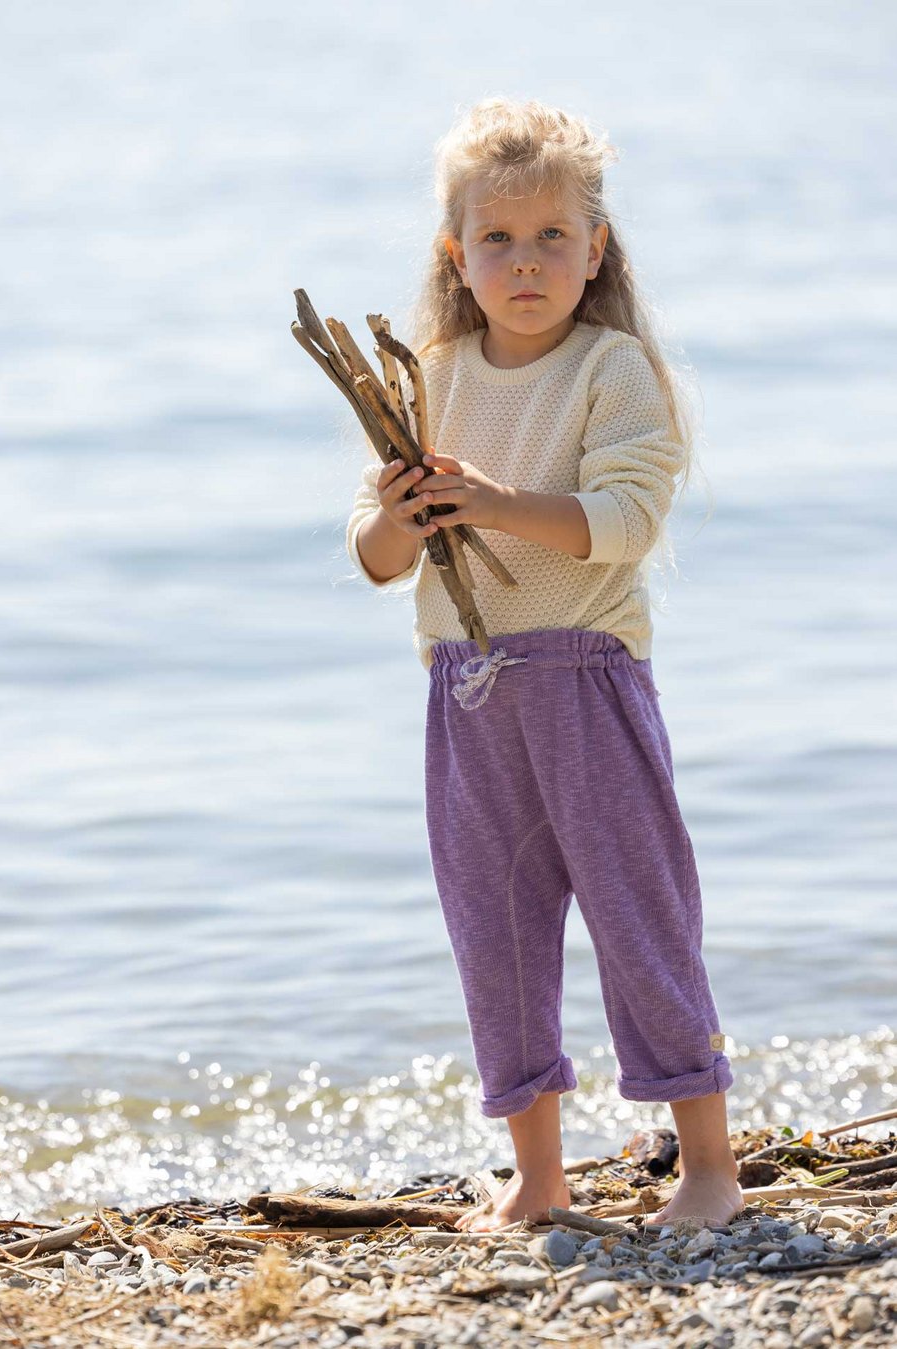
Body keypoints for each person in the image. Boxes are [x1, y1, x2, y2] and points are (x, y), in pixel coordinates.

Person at [344, 96, 744, 1233]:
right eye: (498, 240)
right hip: (466, 689)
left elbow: (619, 521)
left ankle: (708, 1165)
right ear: (456, 256)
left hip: (586, 674)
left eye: (553, 237)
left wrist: (492, 499)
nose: (526, 262)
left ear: (596, 248)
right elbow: (376, 559)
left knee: (640, 912)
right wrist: (403, 515)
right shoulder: (427, 376)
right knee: (497, 928)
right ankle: (539, 1172)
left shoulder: (610, 370)